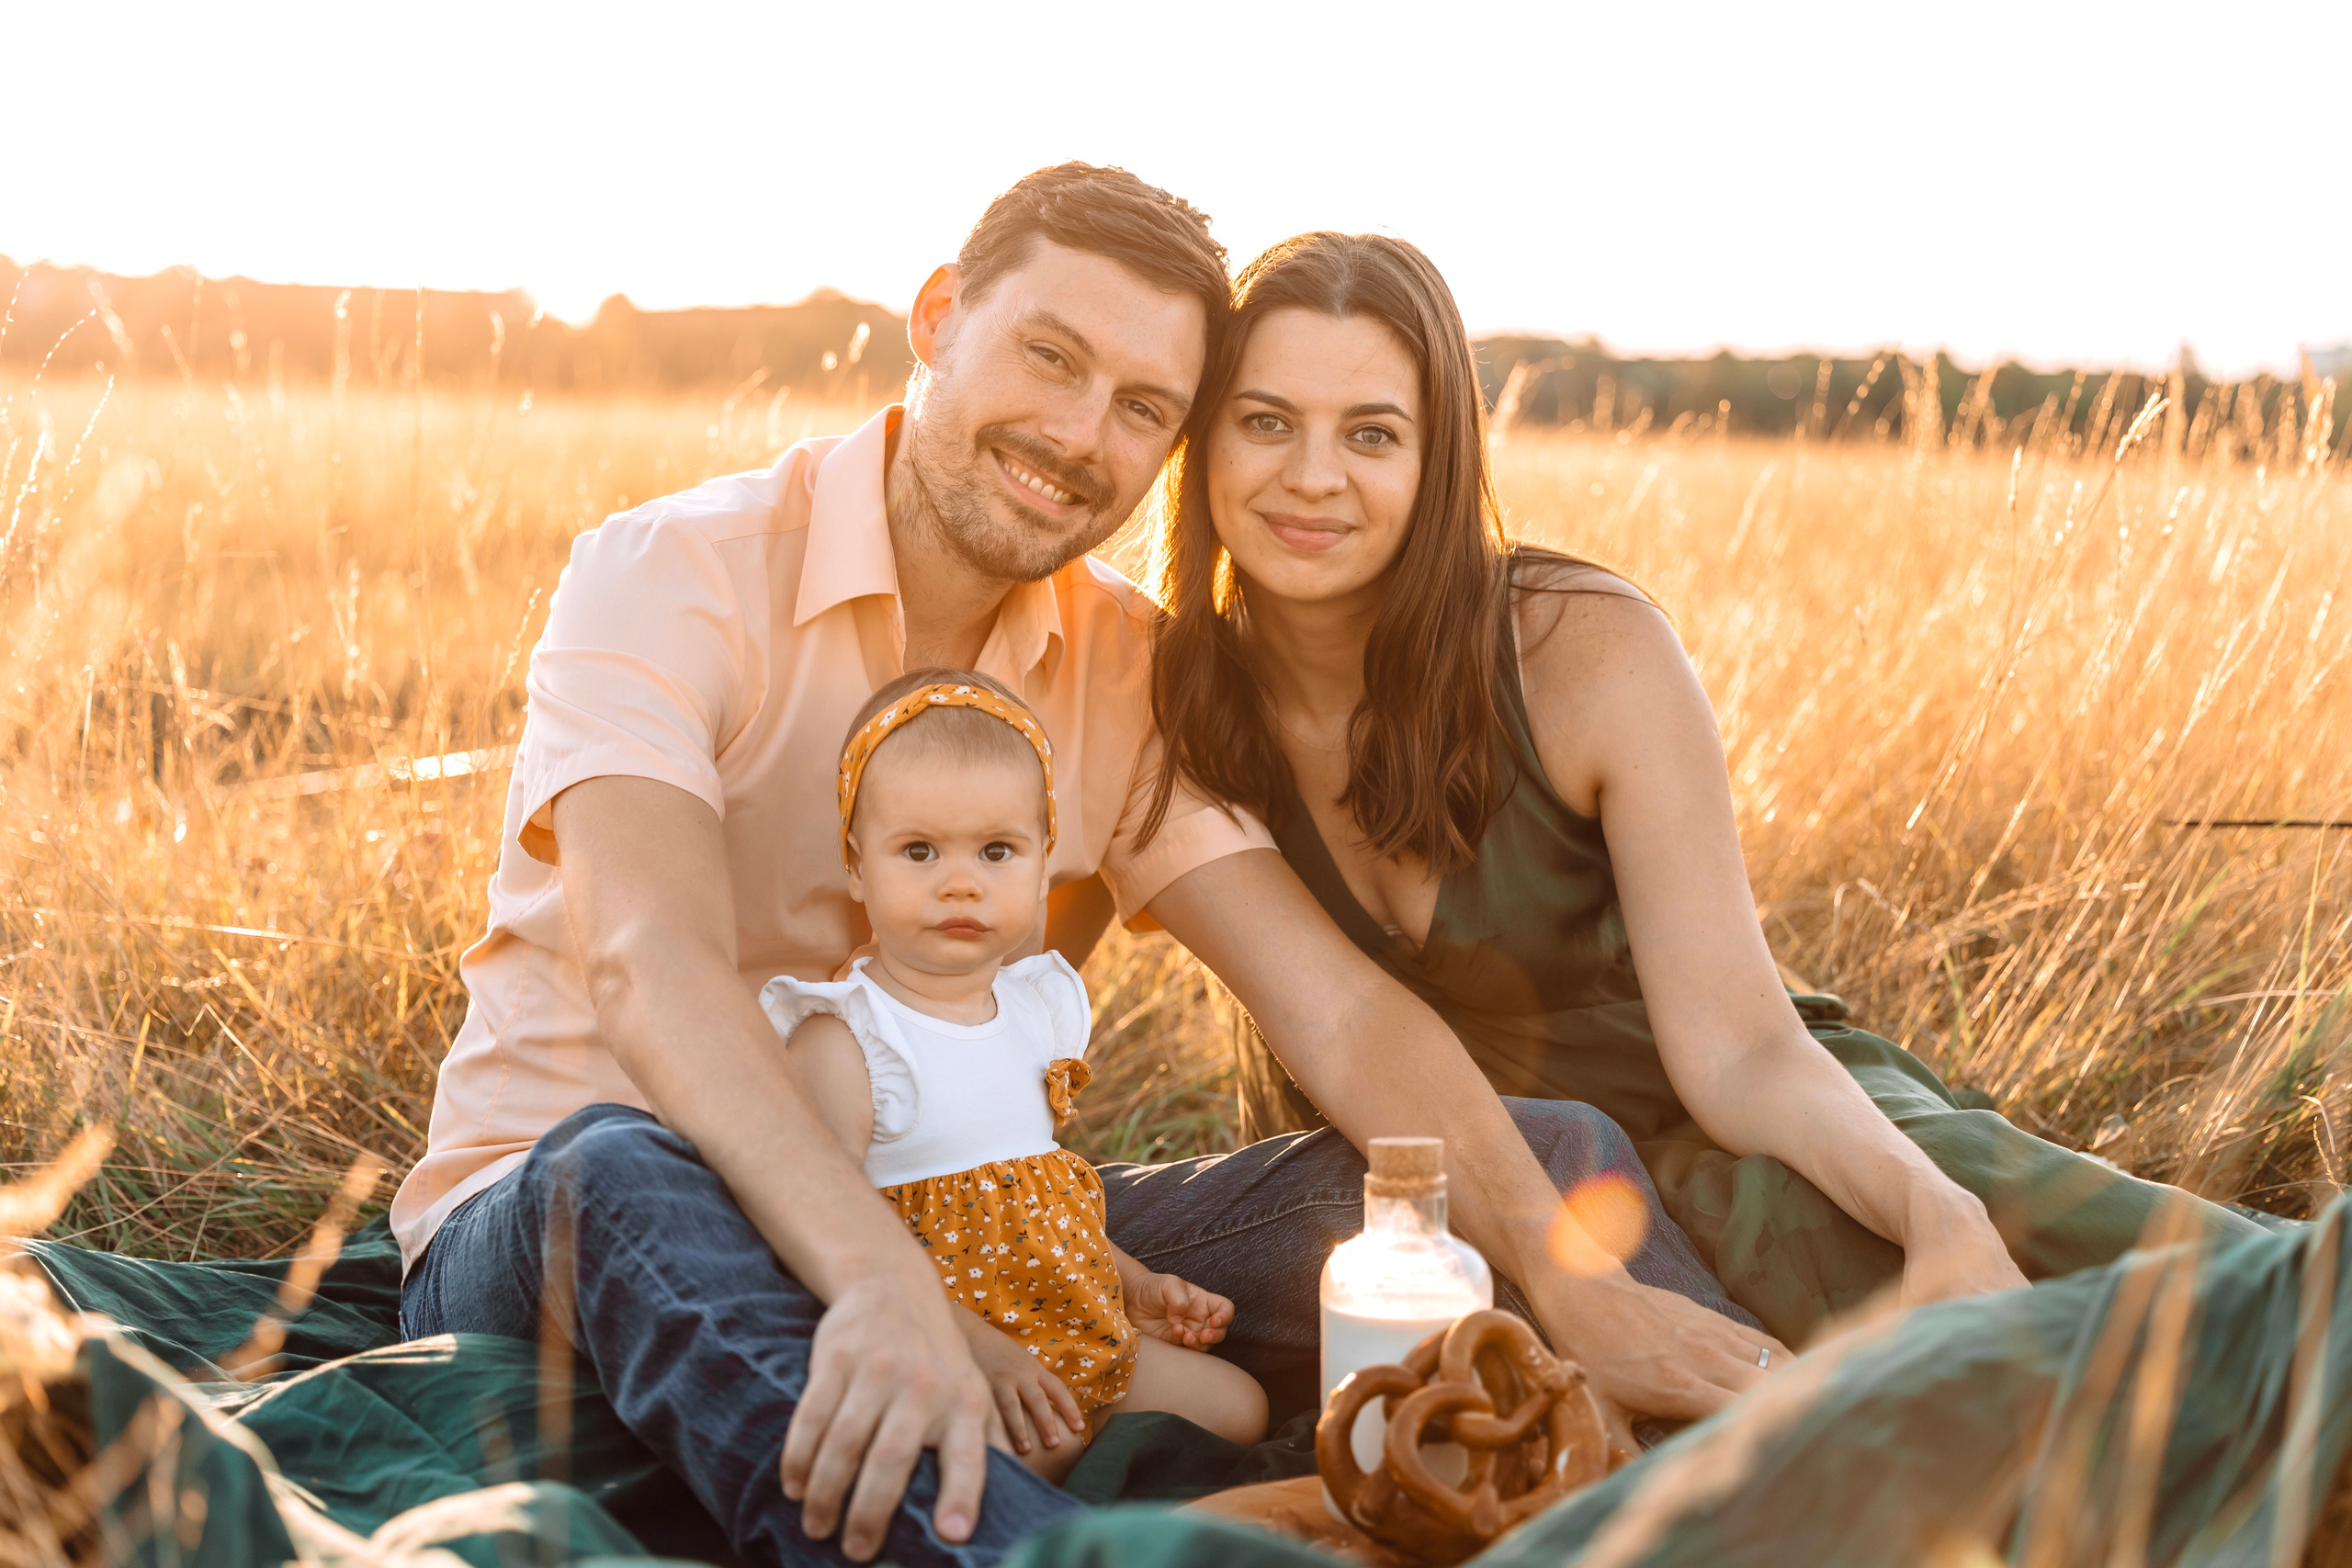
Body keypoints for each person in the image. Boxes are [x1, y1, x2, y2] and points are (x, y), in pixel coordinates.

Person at [391, 165, 1778, 1568]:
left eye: (1142, 408)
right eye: (1052, 356)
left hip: (953, 1203)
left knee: (1537, 1168)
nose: (1077, 434)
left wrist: (1565, 1275)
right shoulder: (670, 571)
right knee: (622, 1167)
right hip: (583, 1213)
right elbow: (650, 960)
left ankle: (1762, 1496)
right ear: (939, 318)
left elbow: (1339, 1007)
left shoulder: (1122, 661)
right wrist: (880, 1278)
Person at [1140, 230, 2272, 1348]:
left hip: (1763, 1129)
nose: (1312, 476)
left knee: (2211, 1307)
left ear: (1439, 463)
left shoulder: (1578, 648)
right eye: (1266, 421)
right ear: (1206, 437)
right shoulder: (1168, 697)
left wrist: (1937, 1210)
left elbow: (1740, 1052)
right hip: (1471, 1200)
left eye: (1372, 433)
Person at [763, 668, 1268, 1483]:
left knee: (1238, 1406)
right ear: (857, 868)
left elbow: (1041, 1203)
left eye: (996, 850)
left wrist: (1133, 1287)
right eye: (919, 850)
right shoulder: (849, 1035)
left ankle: (1095, 1451)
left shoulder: (1037, 1011)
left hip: (1075, 1325)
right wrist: (967, 1342)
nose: (960, 880)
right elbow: (815, 1227)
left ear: (1040, 868)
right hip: (943, 1345)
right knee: (1011, 1461)